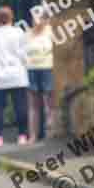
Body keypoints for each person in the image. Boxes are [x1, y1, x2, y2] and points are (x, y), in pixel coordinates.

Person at [0, 6, 29, 147]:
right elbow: (25, 55)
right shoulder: (19, 32)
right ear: (11, 17)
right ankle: (22, 135)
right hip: (17, 75)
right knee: (20, 106)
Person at [25, 14, 54, 143]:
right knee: (33, 104)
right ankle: (33, 135)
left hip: (47, 68)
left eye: (40, 17)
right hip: (31, 69)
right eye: (34, 18)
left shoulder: (50, 30)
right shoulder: (27, 34)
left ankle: (50, 134)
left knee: (48, 101)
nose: (37, 21)